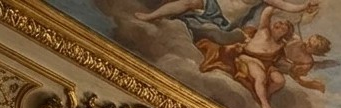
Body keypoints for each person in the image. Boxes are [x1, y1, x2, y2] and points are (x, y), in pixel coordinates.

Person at [195, 6, 297, 108]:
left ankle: (265, 94)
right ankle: (264, 103)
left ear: (285, 34)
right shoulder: (264, 31)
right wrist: (275, 5)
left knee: (280, 81)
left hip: (267, 64)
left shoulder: (280, 45)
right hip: (249, 57)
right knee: (260, 76)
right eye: (279, 25)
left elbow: (281, 59)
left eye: (283, 29)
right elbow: (266, 13)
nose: (280, 28)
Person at [135, 0, 318, 37]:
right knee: (189, 2)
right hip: (214, 2)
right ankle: (151, 16)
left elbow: (286, 6)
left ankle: (156, 16)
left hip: (224, 16)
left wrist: (303, 6)